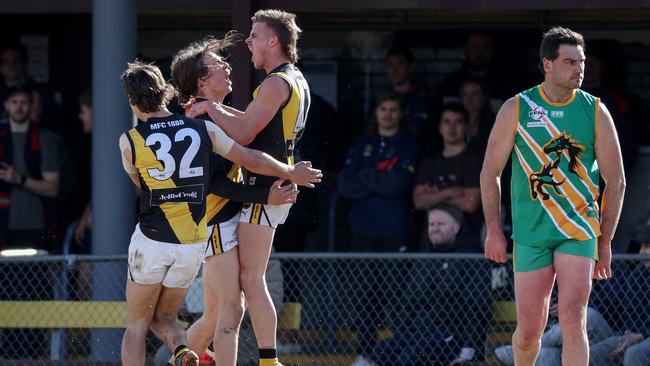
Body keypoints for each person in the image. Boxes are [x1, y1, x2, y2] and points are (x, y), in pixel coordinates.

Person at [118, 60, 320, 366]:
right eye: (218, 65)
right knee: (190, 315)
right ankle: (183, 354)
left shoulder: (130, 141)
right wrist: (288, 173)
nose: (228, 66)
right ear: (166, 91)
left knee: (141, 324)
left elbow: (140, 184)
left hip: (157, 236)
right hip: (194, 239)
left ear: (132, 102)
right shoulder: (201, 127)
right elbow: (248, 160)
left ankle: (181, 356)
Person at [481, 27, 626, 366]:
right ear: (547, 64)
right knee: (531, 329)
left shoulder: (595, 111)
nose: (580, 69)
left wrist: (605, 242)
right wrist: (494, 230)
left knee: (575, 321)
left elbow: (616, 181)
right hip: (531, 233)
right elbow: (490, 174)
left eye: (582, 62)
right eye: (570, 62)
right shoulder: (516, 108)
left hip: (578, 230)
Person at [185, 10, 312, 366]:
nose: (248, 42)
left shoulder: (274, 83)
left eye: (255, 35)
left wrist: (209, 107)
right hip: (235, 204)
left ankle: (269, 361)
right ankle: (185, 357)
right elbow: (250, 124)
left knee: (248, 286)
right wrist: (211, 109)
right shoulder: (293, 79)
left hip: (262, 186)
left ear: (274, 41)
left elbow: (245, 136)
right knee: (221, 311)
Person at [338, 92, 416, 366]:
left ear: (400, 113)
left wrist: (366, 177)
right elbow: (345, 184)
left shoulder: (408, 144)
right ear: (376, 112)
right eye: (383, 108)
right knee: (364, 295)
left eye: (393, 109)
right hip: (363, 230)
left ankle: (395, 353)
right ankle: (366, 353)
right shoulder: (363, 143)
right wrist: (380, 180)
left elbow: (399, 186)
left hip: (395, 233)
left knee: (396, 297)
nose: (388, 114)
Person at [366, 203, 490, 366]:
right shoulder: (425, 258)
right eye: (432, 224)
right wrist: (402, 332)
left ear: (456, 227)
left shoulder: (470, 258)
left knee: (410, 356)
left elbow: (477, 307)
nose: (435, 228)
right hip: (419, 332)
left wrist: (469, 349)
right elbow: (408, 300)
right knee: (381, 350)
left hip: (453, 334)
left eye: (441, 224)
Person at [0, 85, 61, 251]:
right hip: (3, 224)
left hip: (35, 224)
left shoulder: (45, 139)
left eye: (24, 102)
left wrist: (19, 179)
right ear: (6, 105)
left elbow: (52, 189)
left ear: (32, 105)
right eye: (14, 102)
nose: (19, 107)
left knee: (36, 275)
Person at [412, 102, 482, 232]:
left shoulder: (474, 161)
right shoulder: (429, 162)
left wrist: (435, 196)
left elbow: (470, 203)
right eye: (447, 122)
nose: (452, 127)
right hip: (434, 235)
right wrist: (449, 192)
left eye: (458, 122)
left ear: (466, 127)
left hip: (466, 234)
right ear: (440, 127)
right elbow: (418, 201)